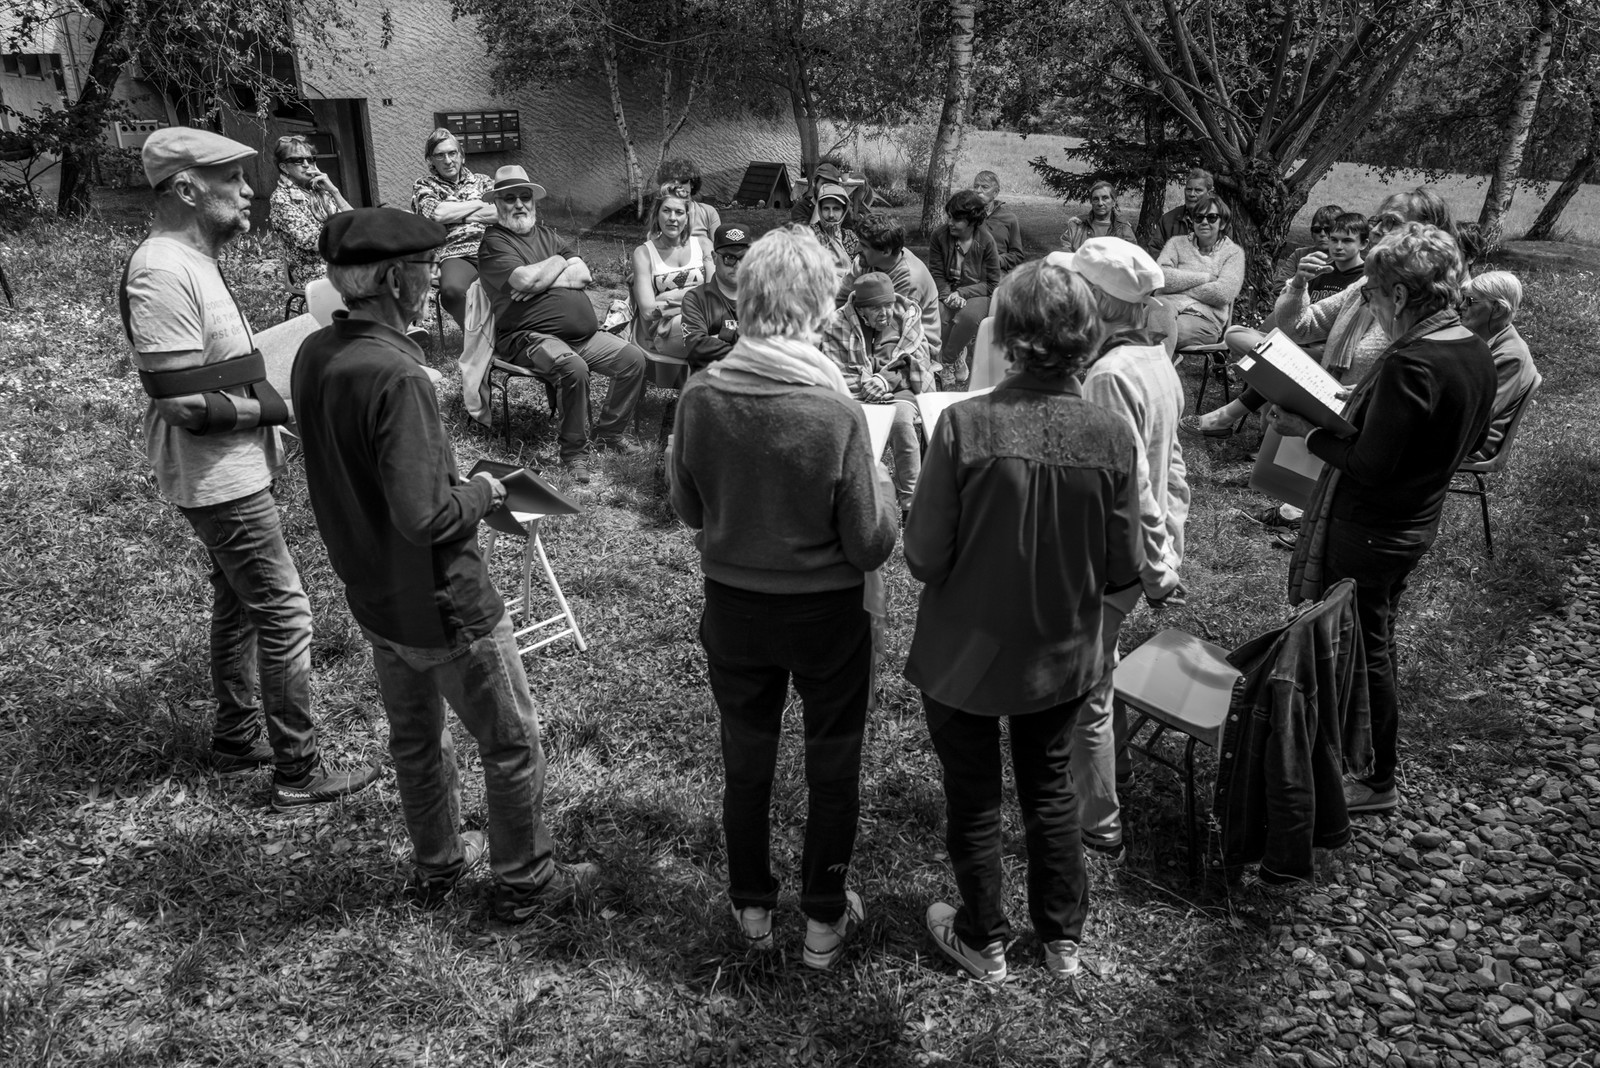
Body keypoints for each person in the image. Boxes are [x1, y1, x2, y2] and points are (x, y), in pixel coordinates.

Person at [291, 208, 597, 919]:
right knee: (513, 743)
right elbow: (427, 516)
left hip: (374, 596)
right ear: (397, 279)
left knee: (417, 743)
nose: (435, 281)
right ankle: (525, 882)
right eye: (427, 270)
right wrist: (486, 489)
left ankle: (438, 867)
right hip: (445, 602)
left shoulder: (316, 354)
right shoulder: (398, 376)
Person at [121, 127, 379, 809]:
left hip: (234, 468)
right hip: (219, 479)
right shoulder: (162, 270)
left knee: (238, 604)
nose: (249, 191)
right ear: (185, 189)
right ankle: (298, 768)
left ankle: (237, 736)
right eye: (231, 179)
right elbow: (179, 402)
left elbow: (213, 368)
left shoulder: (194, 259)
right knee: (288, 614)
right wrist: (274, 408)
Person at [904, 258, 1142, 982]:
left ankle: (984, 939)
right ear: (1086, 335)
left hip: (964, 654)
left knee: (974, 798)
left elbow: (922, 556)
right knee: (1049, 788)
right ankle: (1063, 940)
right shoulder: (1110, 433)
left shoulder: (965, 425)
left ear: (1007, 336)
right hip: (1060, 654)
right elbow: (1124, 568)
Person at [669, 225, 898, 971]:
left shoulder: (701, 394)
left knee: (748, 760)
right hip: (828, 616)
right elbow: (869, 543)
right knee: (833, 765)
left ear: (749, 297)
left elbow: (688, 508)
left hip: (735, 607)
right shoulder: (835, 411)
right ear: (822, 308)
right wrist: (886, 483)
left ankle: (752, 907)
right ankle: (824, 921)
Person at [1270, 223, 1496, 816]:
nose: (1368, 302)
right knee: (1373, 640)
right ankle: (1351, 756)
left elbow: (1369, 463)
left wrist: (1309, 431)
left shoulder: (1412, 362)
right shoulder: (1469, 346)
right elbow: (1441, 441)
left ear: (1398, 297)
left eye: (1370, 292)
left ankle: (1374, 778)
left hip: (1371, 527)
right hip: (1413, 520)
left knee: (1364, 650)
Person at [1057, 240, 1189, 862]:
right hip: (1138, 553)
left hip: (1114, 558)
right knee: (1098, 670)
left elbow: (1131, 480)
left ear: (1100, 302)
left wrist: (1156, 565)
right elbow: (1174, 465)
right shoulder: (1153, 357)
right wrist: (1171, 542)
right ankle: (1120, 773)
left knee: (1087, 689)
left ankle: (1098, 821)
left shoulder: (1108, 376)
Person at [476, 165, 647, 483]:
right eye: (509, 198)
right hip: (529, 338)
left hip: (583, 336)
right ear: (497, 203)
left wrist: (543, 277)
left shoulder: (547, 235)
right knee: (574, 368)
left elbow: (583, 274)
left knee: (633, 359)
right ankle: (574, 454)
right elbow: (524, 279)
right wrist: (558, 264)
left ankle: (609, 432)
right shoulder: (494, 243)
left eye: (524, 197)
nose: (519, 204)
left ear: (534, 201)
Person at [818, 271, 934, 514]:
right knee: (853, 425)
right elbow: (834, 370)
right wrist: (868, 386)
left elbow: (918, 364)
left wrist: (885, 380)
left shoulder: (907, 319)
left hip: (901, 391)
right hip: (856, 395)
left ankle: (911, 503)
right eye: (876, 309)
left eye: (889, 306)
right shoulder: (837, 324)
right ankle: (861, 499)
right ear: (860, 310)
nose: (885, 314)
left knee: (901, 420)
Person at [410, 128, 497, 330]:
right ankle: (480, 338)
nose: (448, 160)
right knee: (453, 291)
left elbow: (500, 212)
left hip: (493, 246)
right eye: (440, 155)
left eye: (452, 153)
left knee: (517, 281)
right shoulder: (425, 185)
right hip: (454, 254)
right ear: (430, 160)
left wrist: (454, 212)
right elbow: (437, 214)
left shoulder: (483, 181)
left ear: (462, 156)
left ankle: (512, 334)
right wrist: (479, 203)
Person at [1459, 271, 1538, 460]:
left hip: (1474, 443)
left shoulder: (1511, 356)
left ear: (1498, 310)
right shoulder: (1485, 340)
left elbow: (1479, 415)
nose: (1461, 306)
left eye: (1470, 301)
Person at [929, 189, 1002, 389]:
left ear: (972, 221)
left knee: (966, 317)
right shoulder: (939, 236)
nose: (950, 222)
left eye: (957, 219)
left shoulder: (986, 241)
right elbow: (936, 272)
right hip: (947, 289)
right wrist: (947, 295)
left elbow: (993, 283)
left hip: (978, 292)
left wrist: (962, 294)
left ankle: (948, 362)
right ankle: (958, 354)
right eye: (949, 217)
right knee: (942, 317)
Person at [1155, 193, 1244, 348]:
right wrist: (1205, 277)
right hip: (1164, 308)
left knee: (1158, 334)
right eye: (1199, 217)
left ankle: (1158, 368)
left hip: (1203, 318)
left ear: (1222, 223)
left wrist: (1179, 286)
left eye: (1211, 218)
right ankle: (1163, 367)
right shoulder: (1176, 244)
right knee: (1149, 328)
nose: (1204, 222)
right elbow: (1160, 278)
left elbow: (1222, 293)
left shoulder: (1233, 253)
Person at [630, 189, 710, 358]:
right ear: (657, 214)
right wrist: (698, 295)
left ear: (687, 217)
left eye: (679, 212)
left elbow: (715, 295)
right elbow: (648, 311)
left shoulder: (703, 245)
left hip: (705, 322)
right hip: (664, 330)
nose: (672, 218)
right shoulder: (644, 253)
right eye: (666, 210)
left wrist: (665, 299)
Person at [267, 134, 351, 284]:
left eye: (310, 159)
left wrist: (334, 191)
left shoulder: (320, 192)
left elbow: (356, 222)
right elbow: (314, 242)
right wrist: (352, 236)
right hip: (315, 272)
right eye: (298, 160)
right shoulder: (281, 198)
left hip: (340, 263)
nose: (306, 164)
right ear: (283, 167)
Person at [854, 211, 941, 348]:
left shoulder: (909, 280)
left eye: (864, 246)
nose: (856, 249)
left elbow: (888, 330)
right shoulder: (866, 260)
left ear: (886, 251)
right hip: (874, 330)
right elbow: (840, 299)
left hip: (914, 346)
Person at [682, 223, 750, 370]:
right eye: (729, 258)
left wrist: (723, 335)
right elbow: (697, 348)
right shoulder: (695, 298)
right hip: (711, 385)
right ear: (714, 257)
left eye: (744, 258)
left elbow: (781, 341)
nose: (737, 265)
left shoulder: (763, 296)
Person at [972, 170, 1027, 271]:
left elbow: (1017, 255)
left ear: (995, 192)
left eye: (984, 187)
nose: (978, 191)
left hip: (997, 272)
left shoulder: (1009, 218)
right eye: (976, 186)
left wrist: (997, 260)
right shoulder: (966, 215)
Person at [1060, 180, 1136, 251]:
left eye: (1105, 198)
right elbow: (1064, 251)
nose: (1100, 203)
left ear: (1114, 202)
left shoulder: (1123, 228)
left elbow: (1132, 258)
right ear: (1091, 202)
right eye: (1096, 199)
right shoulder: (1076, 225)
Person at [657, 159, 722, 241]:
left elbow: (718, 247)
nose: (678, 185)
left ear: (692, 183)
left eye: (683, 180)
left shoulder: (708, 212)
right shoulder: (660, 212)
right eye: (672, 181)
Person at [1151, 167, 1214, 253]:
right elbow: (1154, 251)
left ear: (1209, 193)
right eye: (1189, 189)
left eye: (1198, 190)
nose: (1191, 194)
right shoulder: (1167, 220)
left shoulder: (1220, 222)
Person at [811, 182, 860, 273]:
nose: (831, 215)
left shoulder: (850, 238)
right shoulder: (809, 235)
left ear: (844, 211)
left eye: (836, 209)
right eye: (826, 208)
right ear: (820, 210)